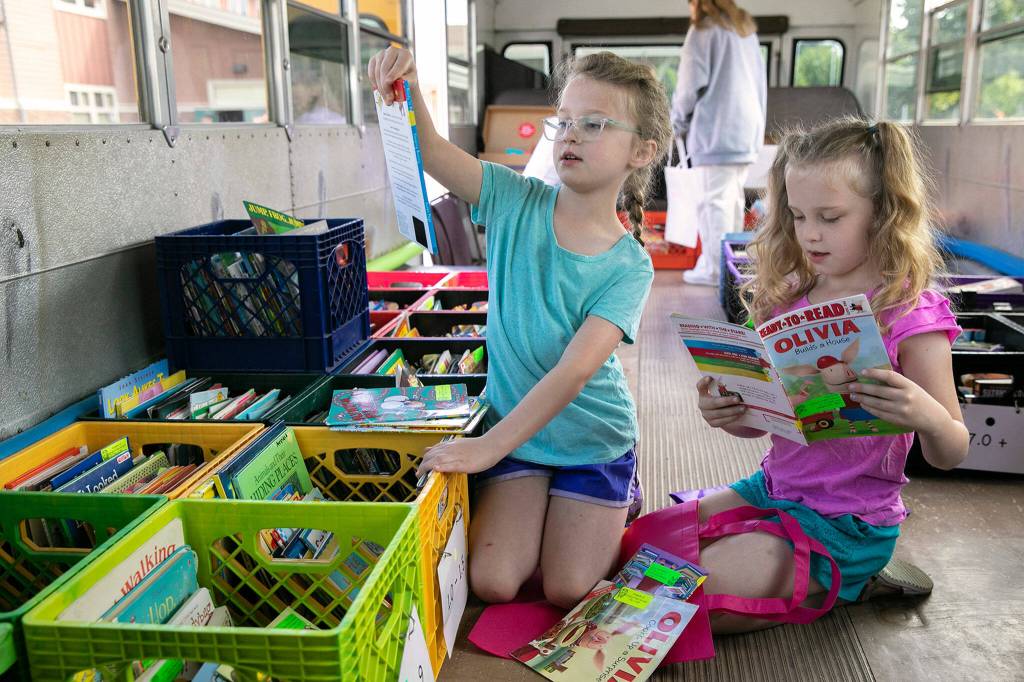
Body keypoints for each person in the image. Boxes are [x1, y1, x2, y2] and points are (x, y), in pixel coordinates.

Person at [367, 47, 671, 608]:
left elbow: (575, 372)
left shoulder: (629, 265)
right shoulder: (512, 198)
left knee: (568, 588)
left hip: (591, 439)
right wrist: (406, 89)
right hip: (518, 434)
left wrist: (484, 449)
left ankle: (620, 493)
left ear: (642, 150)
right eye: (564, 122)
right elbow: (432, 151)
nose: (571, 136)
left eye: (595, 124)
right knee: (495, 582)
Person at [693, 117, 969, 633]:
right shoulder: (787, 300)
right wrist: (728, 411)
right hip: (772, 488)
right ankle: (796, 566)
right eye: (798, 216)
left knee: (694, 600)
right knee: (645, 548)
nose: (810, 233)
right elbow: (767, 421)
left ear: (882, 213)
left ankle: (854, 579)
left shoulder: (910, 316)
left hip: (849, 522)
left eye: (831, 216)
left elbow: (952, 450)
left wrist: (925, 415)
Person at [671, 0, 766, 286]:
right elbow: (760, 84)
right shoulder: (744, 31)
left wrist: (675, 120)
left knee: (713, 203)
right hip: (746, 130)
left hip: (717, 131)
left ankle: (715, 271)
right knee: (732, 201)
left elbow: (689, 85)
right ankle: (728, 265)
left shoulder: (703, 31)